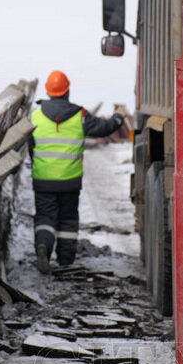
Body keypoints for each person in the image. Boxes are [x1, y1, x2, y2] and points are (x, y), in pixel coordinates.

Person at [29, 70, 124, 274]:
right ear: (67, 91)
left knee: (45, 216)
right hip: (69, 180)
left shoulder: (35, 116)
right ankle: (65, 261)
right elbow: (103, 128)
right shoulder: (79, 115)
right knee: (68, 219)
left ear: (48, 91)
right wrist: (118, 118)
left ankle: (43, 246)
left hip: (43, 178)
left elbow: (30, 146)